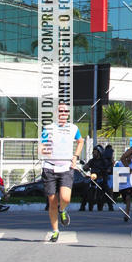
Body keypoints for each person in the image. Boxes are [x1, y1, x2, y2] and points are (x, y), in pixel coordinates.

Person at [39, 103, 84, 241]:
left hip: (66, 168)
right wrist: (45, 150)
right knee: (52, 201)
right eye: (60, 111)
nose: (63, 113)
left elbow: (80, 141)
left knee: (65, 198)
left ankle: (62, 210)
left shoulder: (73, 128)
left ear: (68, 114)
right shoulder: (49, 128)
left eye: (65, 111)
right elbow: (41, 145)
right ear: (56, 113)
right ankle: (55, 231)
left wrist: (75, 157)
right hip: (50, 168)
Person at [82, 147, 104, 211]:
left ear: (99, 152)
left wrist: (106, 170)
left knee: (106, 190)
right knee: (86, 190)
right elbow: (86, 166)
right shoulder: (92, 160)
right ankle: (82, 206)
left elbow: (107, 167)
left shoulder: (103, 161)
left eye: (95, 152)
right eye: (93, 152)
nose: (94, 153)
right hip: (93, 177)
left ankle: (110, 206)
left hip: (101, 177)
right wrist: (85, 167)